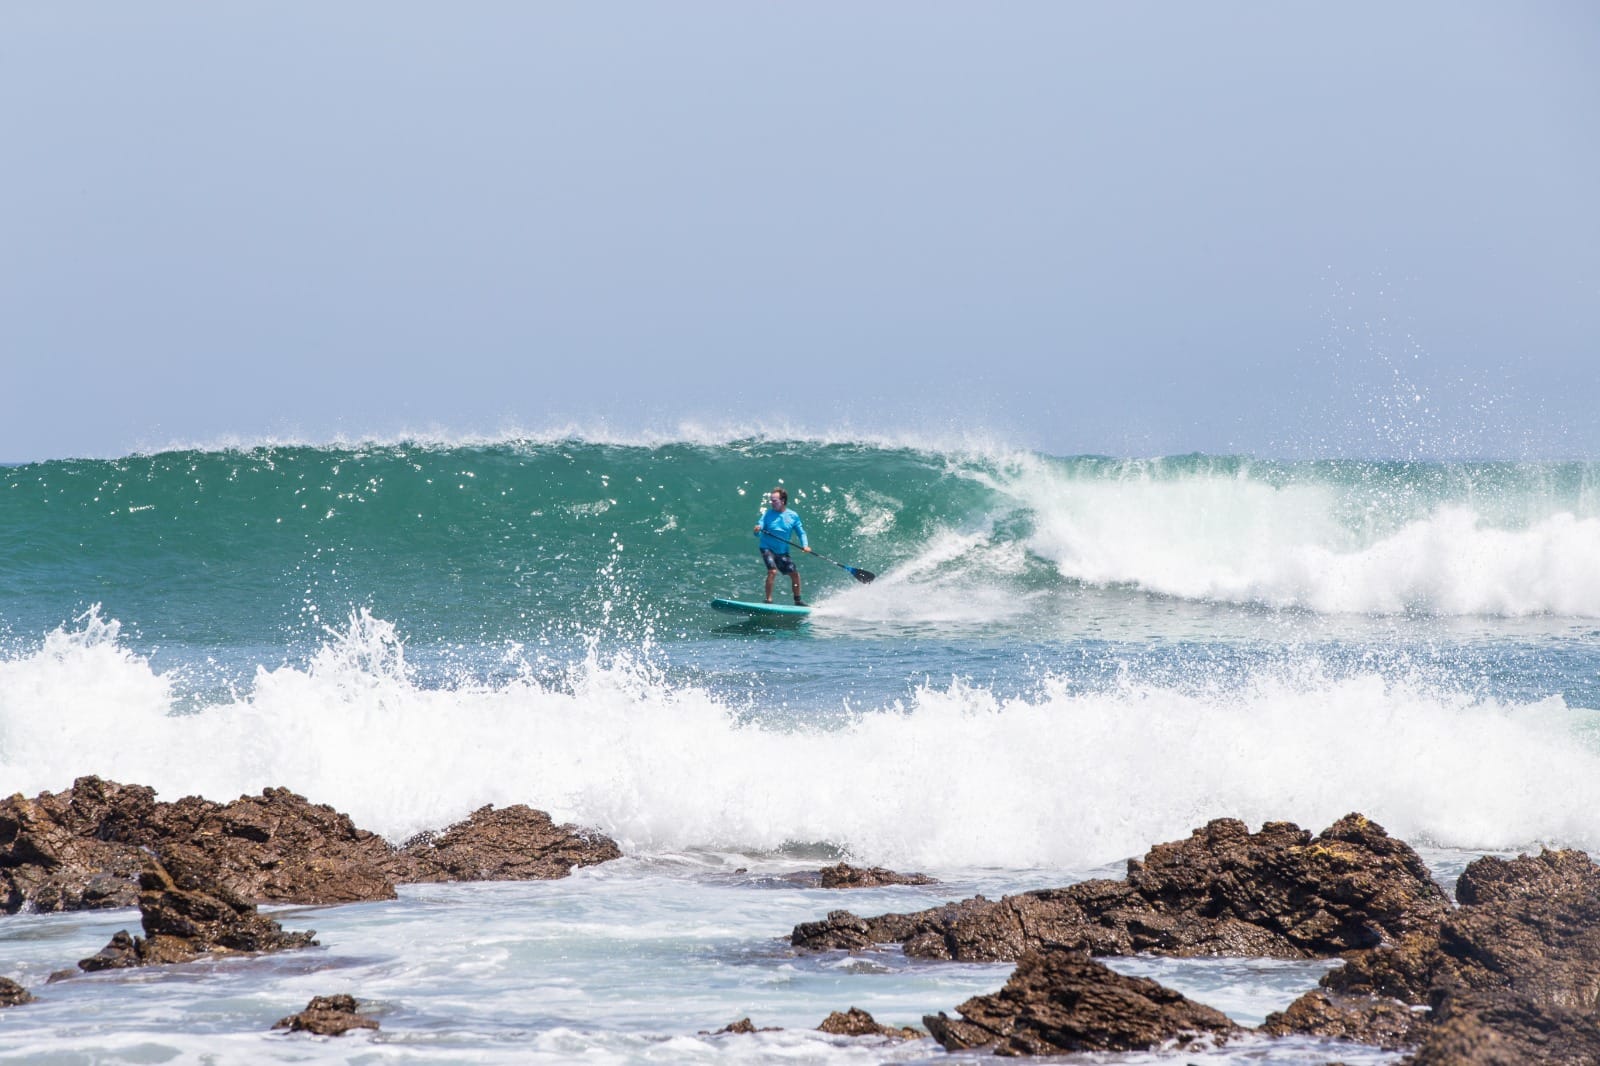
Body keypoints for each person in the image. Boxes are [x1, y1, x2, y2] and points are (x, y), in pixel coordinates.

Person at [753, 486, 812, 605]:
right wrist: (757, 530)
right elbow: (759, 531)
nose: (772, 503)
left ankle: (798, 600)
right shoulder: (768, 514)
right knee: (772, 571)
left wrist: (805, 545)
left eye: (774, 500)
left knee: (795, 574)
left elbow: (801, 533)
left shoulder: (793, 516)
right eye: (771, 500)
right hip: (767, 547)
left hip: (782, 551)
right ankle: (768, 600)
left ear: (783, 501)